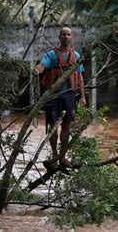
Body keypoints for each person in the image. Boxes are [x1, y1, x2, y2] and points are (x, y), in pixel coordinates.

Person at [33, 27, 86, 169]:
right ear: (59, 37)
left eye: (68, 34)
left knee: (67, 125)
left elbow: (80, 77)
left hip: (69, 95)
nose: (66, 37)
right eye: (63, 34)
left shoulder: (76, 56)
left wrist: (82, 96)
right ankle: (55, 156)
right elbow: (42, 65)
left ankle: (62, 157)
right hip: (53, 95)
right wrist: (37, 70)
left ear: (71, 37)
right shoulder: (51, 55)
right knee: (53, 126)